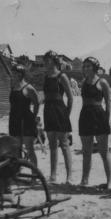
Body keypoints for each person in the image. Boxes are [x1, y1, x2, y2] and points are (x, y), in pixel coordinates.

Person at [79, 57, 111, 188]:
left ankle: (109, 181)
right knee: (86, 152)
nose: (86, 68)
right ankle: (84, 180)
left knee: (104, 152)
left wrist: (107, 119)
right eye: (85, 66)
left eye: (89, 66)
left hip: (99, 116)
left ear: (95, 67)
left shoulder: (102, 81)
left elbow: (108, 102)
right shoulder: (83, 82)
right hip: (85, 115)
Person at [42, 50, 73, 184]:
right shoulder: (46, 76)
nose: (46, 62)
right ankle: (53, 175)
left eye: (48, 59)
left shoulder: (62, 76)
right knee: (52, 145)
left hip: (60, 111)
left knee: (64, 145)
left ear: (54, 61)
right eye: (45, 59)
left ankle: (69, 176)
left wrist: (66, 114)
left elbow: (70, 98)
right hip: (48, 110)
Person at [9, 64, 39, 166]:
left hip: (26, 121)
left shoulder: (29, 88)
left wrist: (33, 117)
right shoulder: (13, 87)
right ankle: (18, 174)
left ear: (21, 74)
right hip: (14, 120)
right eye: (12, 73)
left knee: (29, 149)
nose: (13, 75)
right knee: (16, 148)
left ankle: (34, 175)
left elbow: (37, 103)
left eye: (15, 73)